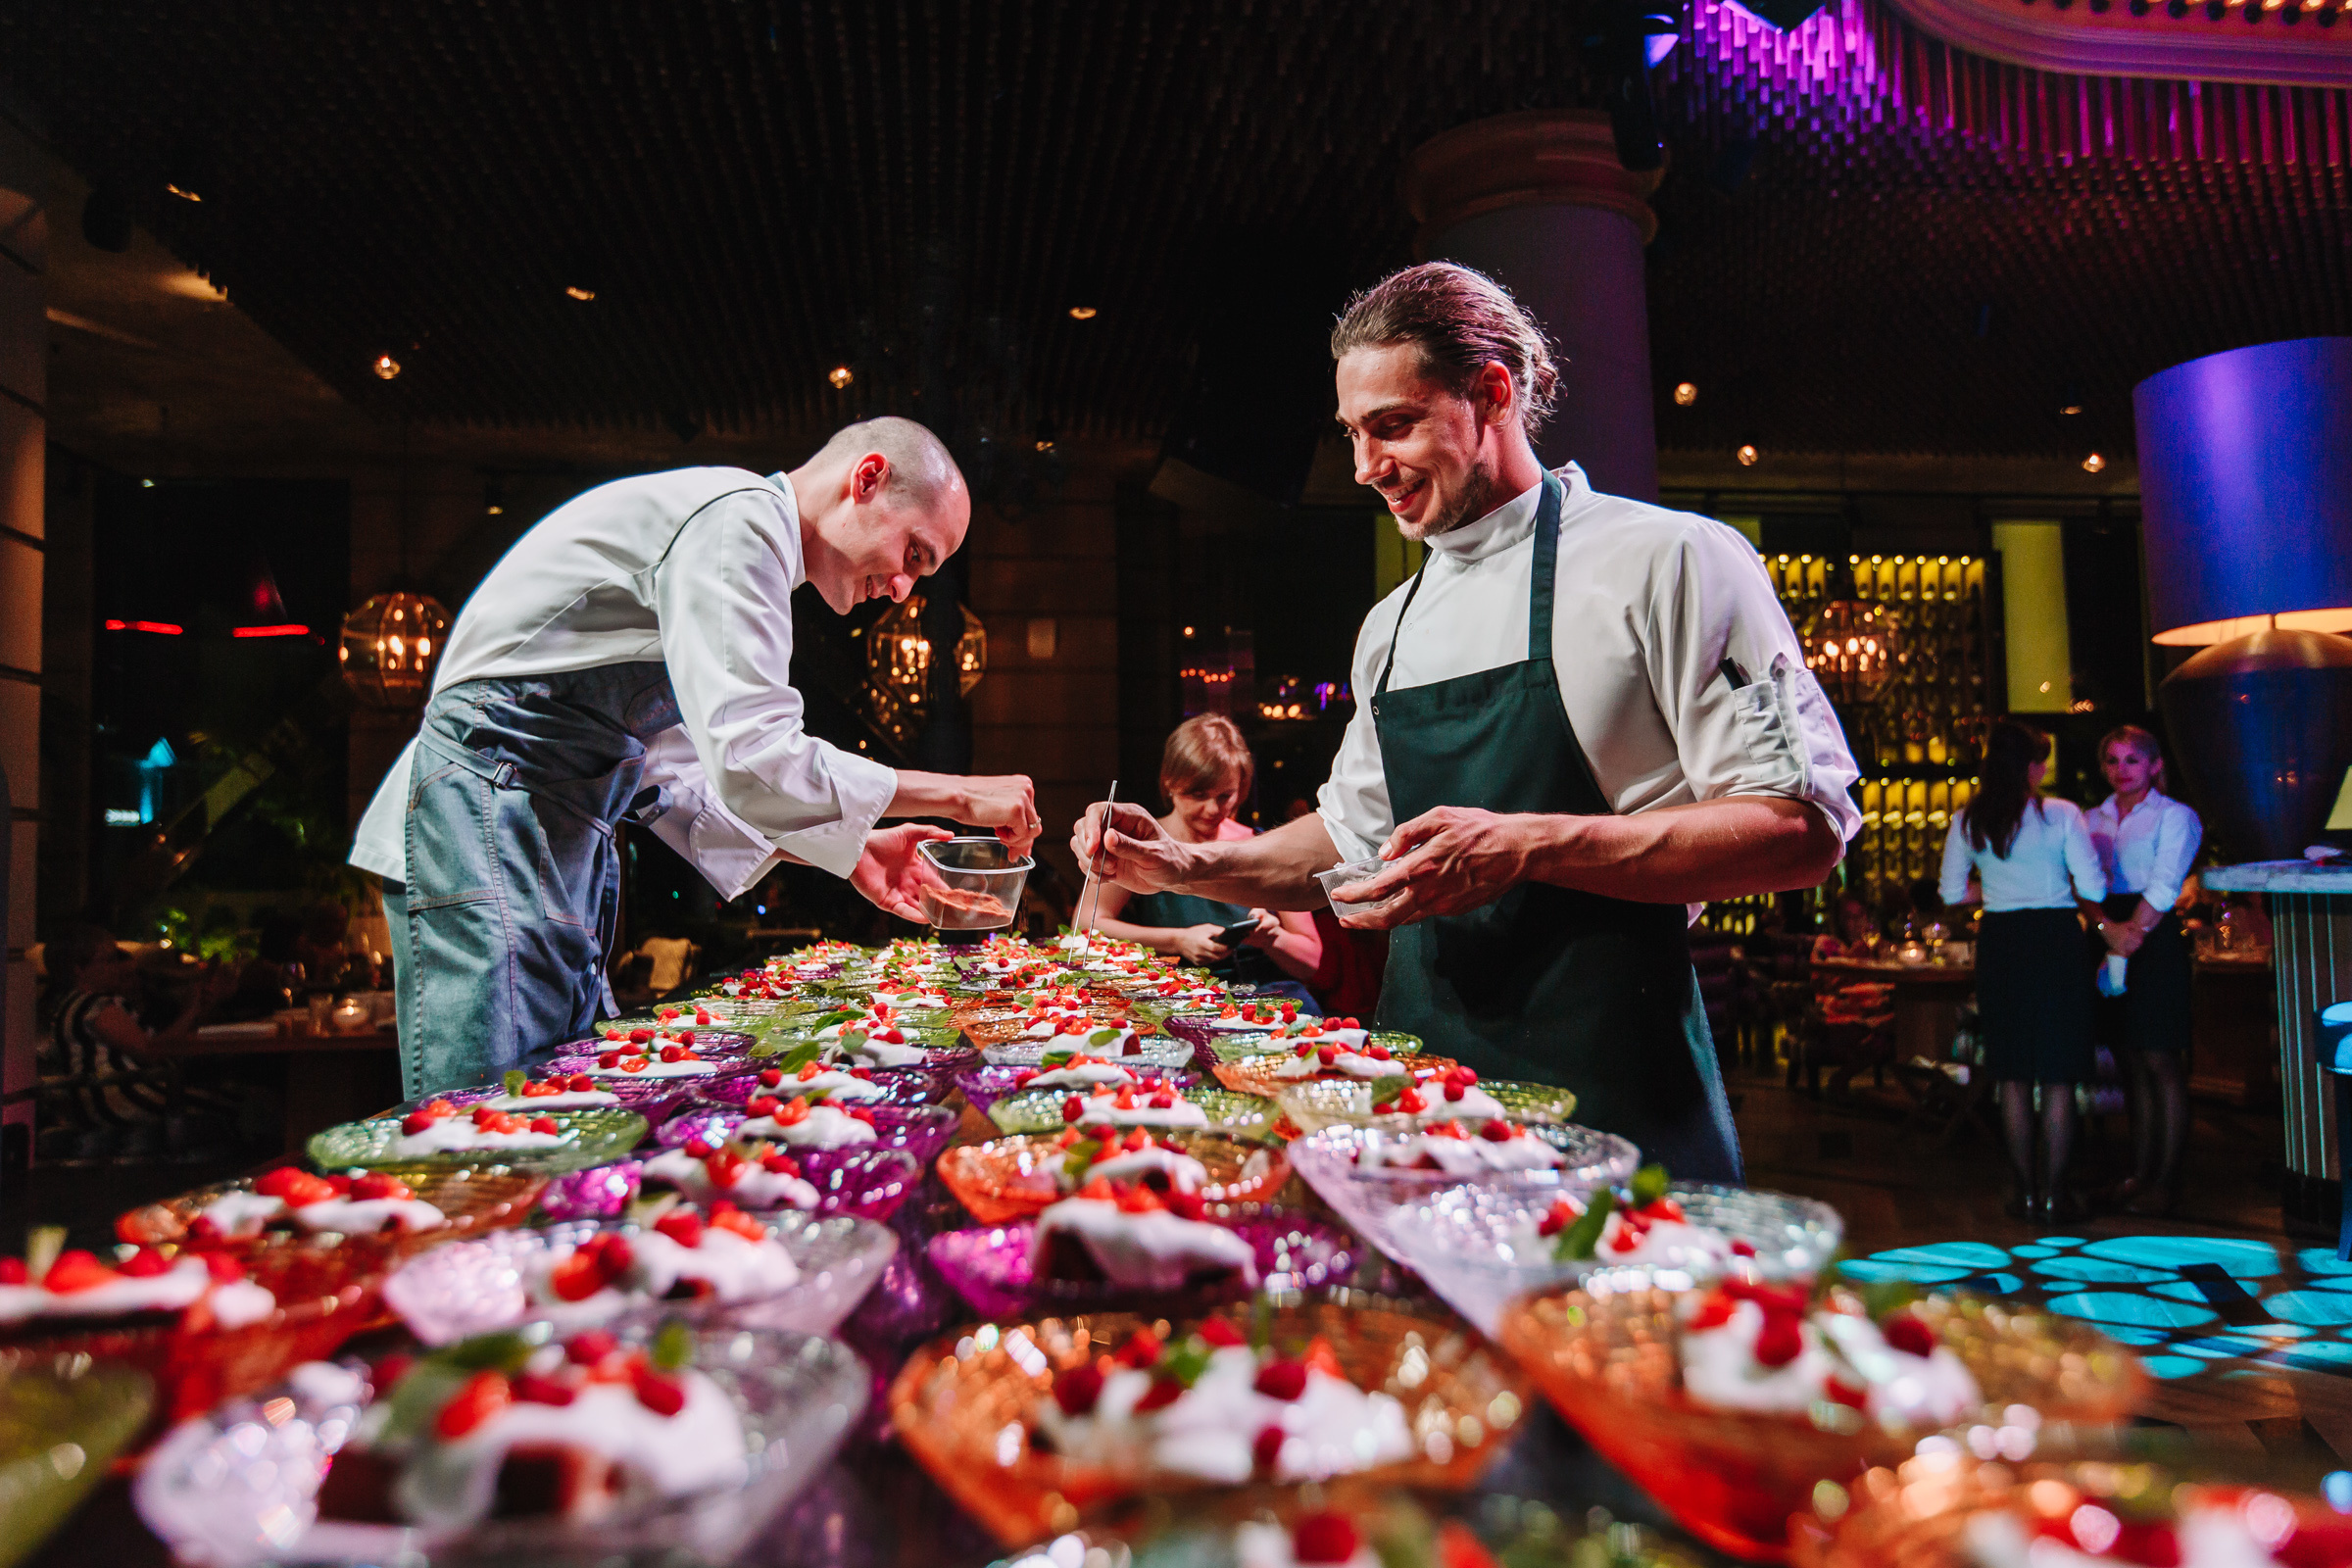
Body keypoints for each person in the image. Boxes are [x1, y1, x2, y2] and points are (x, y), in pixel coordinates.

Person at [1073, 263, 1858, 1182]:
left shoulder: (1670, 559)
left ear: (1492, 394)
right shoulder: (1391, 624)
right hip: (1423, 1084)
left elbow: (1801, 828)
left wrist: (1529, 844)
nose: (1367, 468)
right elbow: (1348, 842)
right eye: (1353, 435)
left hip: (1611, 1081)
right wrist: (1185, 865)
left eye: (1393, 426)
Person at [351, 417, 1042, 1097]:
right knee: (485, 1120)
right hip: (478, 813)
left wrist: (855, 852)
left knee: (547, 1107)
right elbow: (755, 757)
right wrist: (957, 794)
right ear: (866, 479)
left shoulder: (737, 539)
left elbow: (681, 779)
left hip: (543, 838)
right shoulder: (738, 522)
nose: (902, 589)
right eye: (913, 555)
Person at [1937, 720, 2105, 1220]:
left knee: (2011, 1073)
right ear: (2031, 767)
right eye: (2042, 762)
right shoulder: (2062, 815)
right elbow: (2092, 886)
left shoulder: (1969, 820)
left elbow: (1950, 894)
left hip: (2003, 943)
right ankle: (2054, 1195)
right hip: (2056, 941)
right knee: (2056, 1076)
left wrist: (1997, 889)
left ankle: (2024, 1191)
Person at [1091, 716, 1323, 1008]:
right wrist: (1177, 940)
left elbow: (1310, 961)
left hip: (1268, 996)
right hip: (1177, 994)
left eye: (1225, 795)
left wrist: (1273, 938)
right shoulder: (1141, 843)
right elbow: (1088, 923)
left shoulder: (1261, 843)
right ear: (1169, 782)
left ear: (1243, 786)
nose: (1213, 809)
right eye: (1197, 795)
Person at [2082, 724, 2203, 1215]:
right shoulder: (2092, 817)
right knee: (2129, 1061)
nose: (2120, 770)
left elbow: (2166, 880)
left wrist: (2131, 934)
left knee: (2161, 1060)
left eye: (2132, 760)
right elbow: (2081, 880)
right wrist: (2107, 929)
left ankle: (2167, 1179)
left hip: (2151, 938)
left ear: (2154, 765)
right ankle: (2138, 1172)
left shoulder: (2176, 817)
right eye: (2112, 760)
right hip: (2108, 928)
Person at [37, 926, 233, 1160]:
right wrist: (192, 1010)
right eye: (109, 960)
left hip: (120, 1094)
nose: (118, 968)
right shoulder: (90, 1005)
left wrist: (198, 1008)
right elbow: (150, 1051)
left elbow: (159, 1045)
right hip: (120, 1097)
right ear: (79, 969)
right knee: (238, 1106)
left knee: (234, 1101)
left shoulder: (88, 1003)